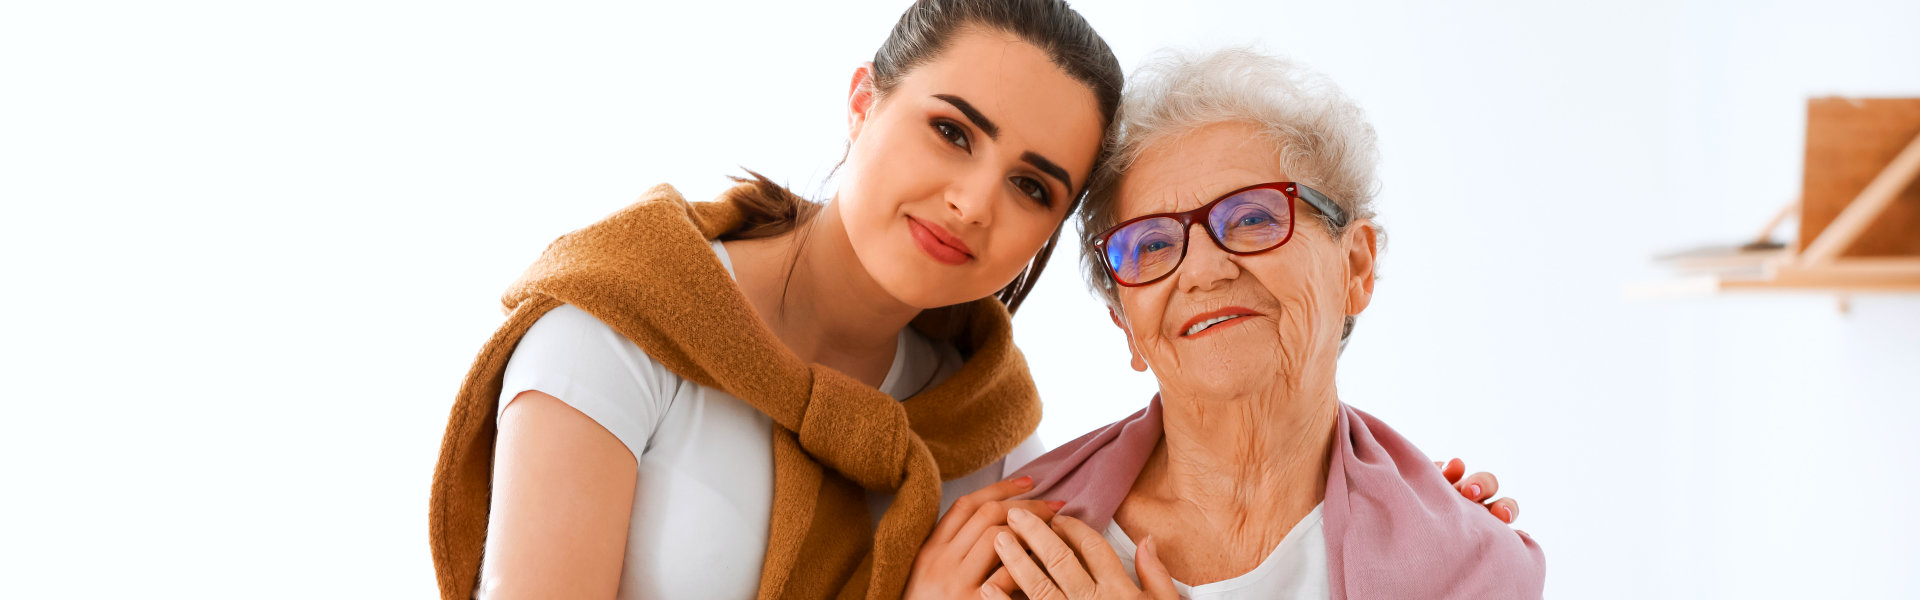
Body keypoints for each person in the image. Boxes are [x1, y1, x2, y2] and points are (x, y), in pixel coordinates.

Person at [429, 1, 1120, 598]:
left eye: (1032, 187)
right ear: (863, 105)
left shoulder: (992, 441)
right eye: (951, 132)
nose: (972, 205)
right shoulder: (619, 320)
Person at [981, 49, 1546, 599]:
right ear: (1125, 324)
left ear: (1355, 267)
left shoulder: (1470, 566)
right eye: (1151, 243)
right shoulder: (1009, 542)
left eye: (1252, 217)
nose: (1202, 270)